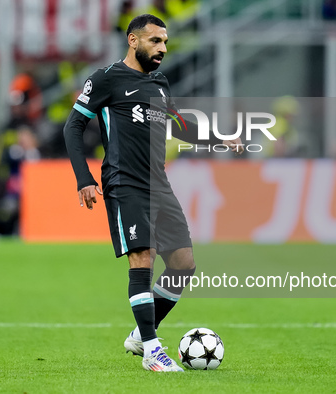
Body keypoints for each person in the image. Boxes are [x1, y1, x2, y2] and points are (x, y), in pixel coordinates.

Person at [64, 14, 243, 372]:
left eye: (165, 42)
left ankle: (140, 333)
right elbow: (73, 126)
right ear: (133, 40)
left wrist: (218, 138)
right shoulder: (107, 79)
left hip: (158, 185)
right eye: (154, 41)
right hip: (123, 182)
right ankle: (151, 351)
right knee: (143, 257)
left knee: (183, 264)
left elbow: (178, 125)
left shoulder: (160, 83)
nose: (162, 48)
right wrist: (84, 179)